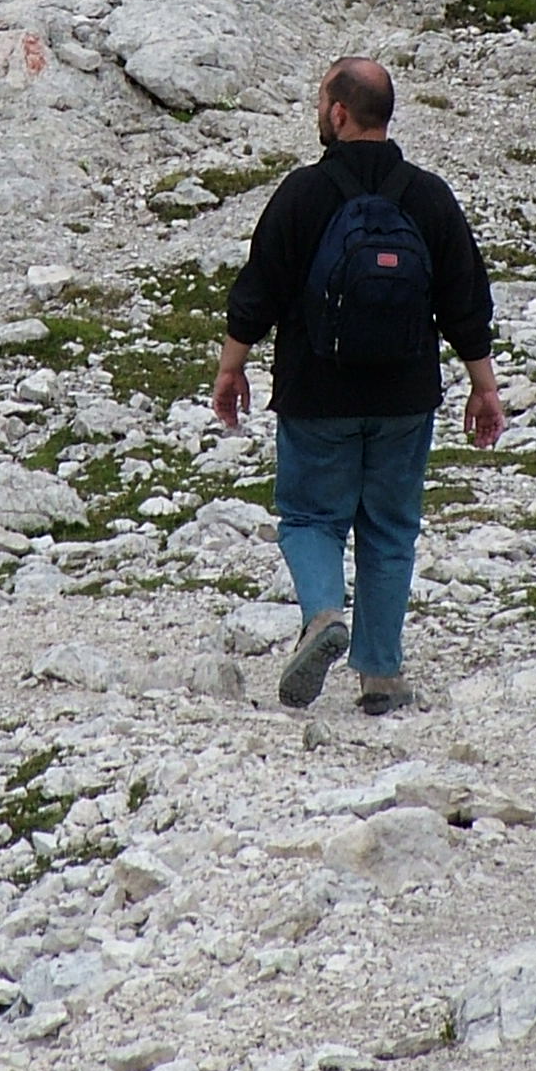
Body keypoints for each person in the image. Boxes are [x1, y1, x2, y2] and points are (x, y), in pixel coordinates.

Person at [211, 56, 502, 715]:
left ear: (339, 113)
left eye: (321, 103)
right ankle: (380, 674)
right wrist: (483, 387)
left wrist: (231, 367)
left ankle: (322, 615)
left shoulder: (302, 194)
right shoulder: (428, 195)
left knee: (311, 517)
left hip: (317, 394)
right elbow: (465, 302)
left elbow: (257, 292)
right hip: (405, 398)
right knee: (390, 529)